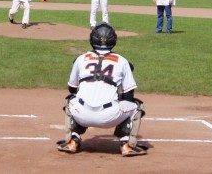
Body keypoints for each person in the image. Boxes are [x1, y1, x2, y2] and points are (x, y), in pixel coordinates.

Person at [57, 22, 148, 157]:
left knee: (70, 100)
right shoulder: (122, 61)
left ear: (92, 39)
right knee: (137, 106)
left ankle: (72, 141)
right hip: (109, 116)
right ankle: (127, 145)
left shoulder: (81, 59)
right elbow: (129, 95)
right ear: (114, 40)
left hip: (81, 114)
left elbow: (72, 88)